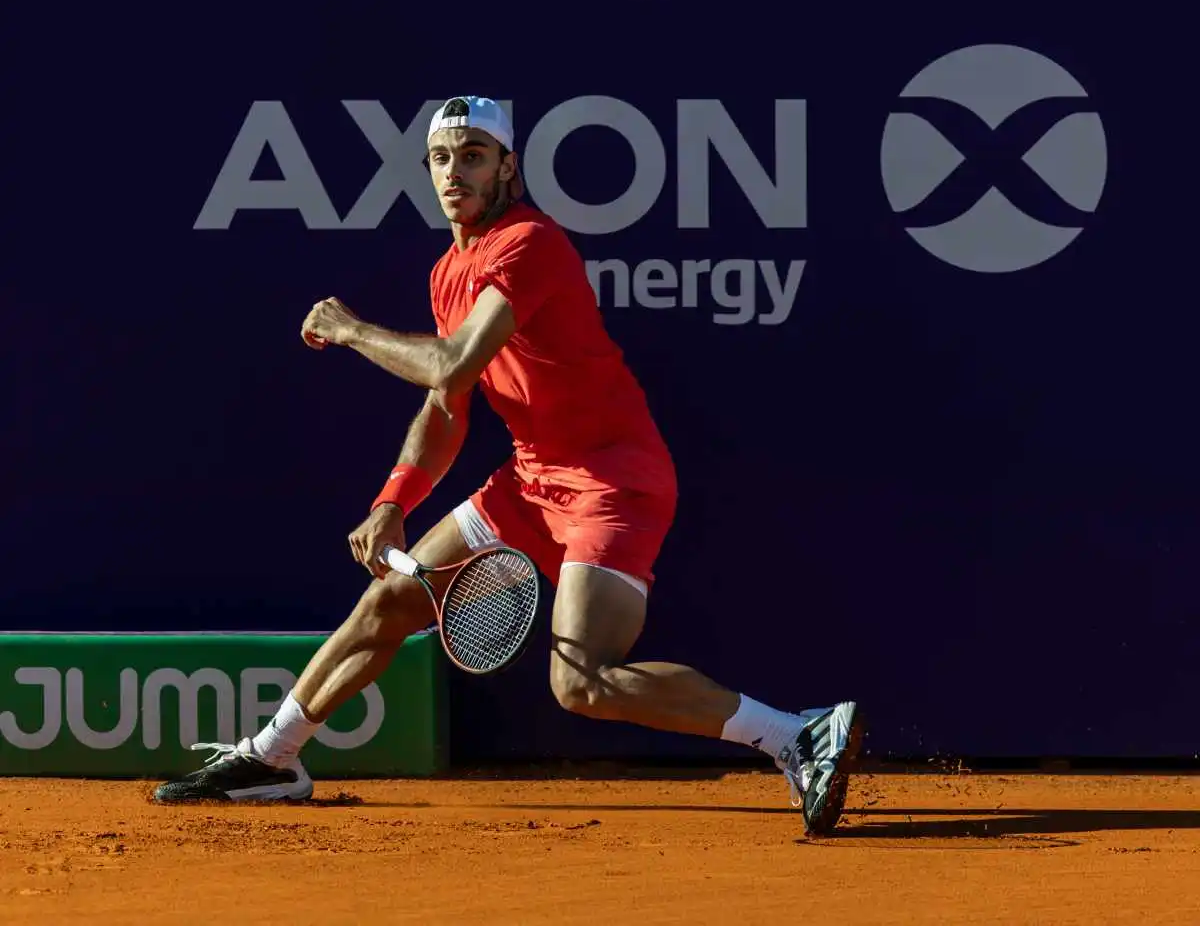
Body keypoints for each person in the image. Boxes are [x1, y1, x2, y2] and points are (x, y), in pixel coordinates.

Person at [153, 96, 862, 834]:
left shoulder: (531, 243)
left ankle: (794, 734)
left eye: (472, 155)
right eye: (441, 158)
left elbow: (456, 359)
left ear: (507, 166)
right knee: (392, 600)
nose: (454, 171)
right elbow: (448, 400)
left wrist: (352, 329)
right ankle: (273, 754)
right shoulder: (446, 272)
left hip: (610, 481)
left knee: (581, 682)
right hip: (529, 481)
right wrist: (396, 496)